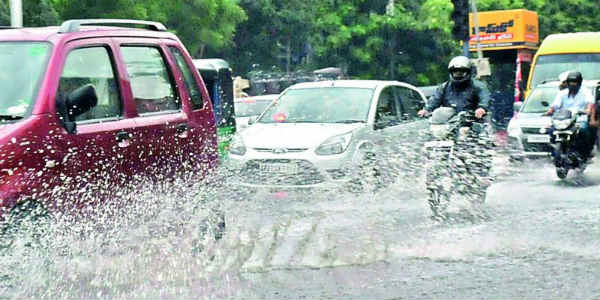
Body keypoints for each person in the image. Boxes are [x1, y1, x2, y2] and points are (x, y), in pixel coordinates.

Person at [544, 71, 596, 160]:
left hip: (579, 119)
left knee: (583, 130)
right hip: (564, 120)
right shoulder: (562, 93)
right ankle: (553, 153)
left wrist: (587, 110)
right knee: (550, 131)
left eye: (575, 83)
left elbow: (590, 104)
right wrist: (549, 111)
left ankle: (583, 153)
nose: (572, 85)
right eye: (571, 82)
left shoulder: (585, 92)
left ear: (579, 83)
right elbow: (555, 105)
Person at [418, 56, 490, 119]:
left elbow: (485, 99)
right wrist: (426, 110)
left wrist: (481, 108)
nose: (458, 74)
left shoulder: (478, 86)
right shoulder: (444, 87)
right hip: (448, 123)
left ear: (468, 72)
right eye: (455, 72)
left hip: (473, 122)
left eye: (461, 72)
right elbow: (435, 99)